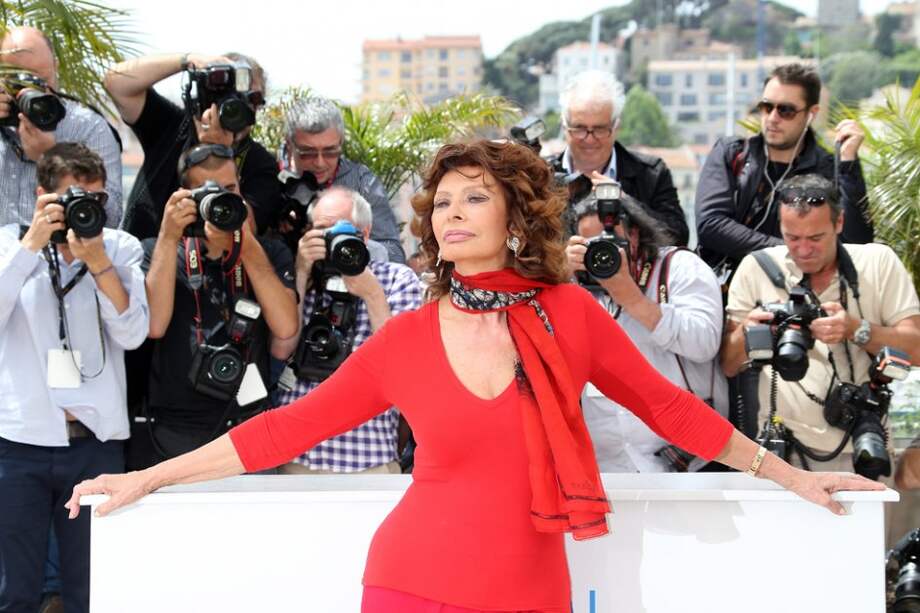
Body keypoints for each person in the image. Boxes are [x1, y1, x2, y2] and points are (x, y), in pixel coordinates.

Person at [68, 140, 884, 613]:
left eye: (474, 198)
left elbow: (672, 408)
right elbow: (284, 428)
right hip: (408, 582)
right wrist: (147, 480)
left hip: (530, 591)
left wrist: (787, 476)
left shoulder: (571, 313)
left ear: (514, 215)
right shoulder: (409, 337)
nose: (452, 212)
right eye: (443, 202)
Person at [0, 142, 148, 613]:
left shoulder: (118, 248)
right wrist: (32, 247)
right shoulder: (10, 244)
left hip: (95, 442)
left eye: (97, 200)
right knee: (15, 589)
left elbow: (133, 333)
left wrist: (99, 263)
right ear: (42, 196)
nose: (86, 210)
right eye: (72, 199)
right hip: (19, 441)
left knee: (93, 587)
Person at [721, 173, 920, 475]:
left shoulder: (878, 263)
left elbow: (916, 348)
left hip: (862, 450)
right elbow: (728, 365)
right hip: (780, 455)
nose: (803, 249)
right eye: (792, 237)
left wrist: (857, 330)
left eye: (815, 238)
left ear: (839, 224)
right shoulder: (757, 268)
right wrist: (749, 334)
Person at [129, 143, 298, 469]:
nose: (222, 199)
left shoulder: (269, 251)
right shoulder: (159, 250)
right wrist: (167, 236)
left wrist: (246, 247)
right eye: (209, 191)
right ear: (186, 196)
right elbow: (155, 325)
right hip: (176, 429)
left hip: (248, 425)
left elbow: (286, 326)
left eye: (230, 189)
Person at [565, 190, 728, 472]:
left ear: (636, 235)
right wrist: (557, 273)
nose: (601, 254)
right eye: (591, 245)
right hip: (609, 464)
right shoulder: (572, 284)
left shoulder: (679, 268)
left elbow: (704, 344)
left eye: (610, 242)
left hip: (684, 460)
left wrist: (632, 299)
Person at [272, 187, 421, 474]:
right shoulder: (304, 278)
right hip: (299, 456)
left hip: (369, 457)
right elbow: (282, 348)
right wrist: (301, 272)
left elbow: (402, 369)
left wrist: (372, 293)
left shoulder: (396, 279)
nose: (330, 242)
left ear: (364, 235)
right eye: (321, 231)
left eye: (338, 231)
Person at [696, 62, 874, 285]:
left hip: (801, 295)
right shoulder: (733, 154)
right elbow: (711, 225)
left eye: (786, 110)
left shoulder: (828, 170)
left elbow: (856, 243)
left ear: (811, 114)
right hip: (726, 290)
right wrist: (790, 249)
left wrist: (848, 163)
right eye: (767, 107)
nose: (772, 118)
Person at [104, 51, 282, 238]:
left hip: (208, 265)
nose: (238, 106)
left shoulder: (261, 163)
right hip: (144, 257)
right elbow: (115, 84)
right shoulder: (171, 126)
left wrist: (219, 152)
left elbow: (247, 231)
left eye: (251, 99)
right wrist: (184, 60)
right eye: (228, 95)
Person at [0, 26, 123, 229]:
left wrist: (50, 158)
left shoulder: (87, 126)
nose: (33, 91)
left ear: (55, 67)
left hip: (61, 258)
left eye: (42, 80)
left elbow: (111, 217)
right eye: (20, 82)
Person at [549, 70, 689, 246]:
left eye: (600, 129)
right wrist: (558, 261)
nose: (589, 139)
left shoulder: (650, 174)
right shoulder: (539, 175)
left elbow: (678, 237)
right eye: (579, 128)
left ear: (617, 127)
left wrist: (626, 203)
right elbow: (513, 244)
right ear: (564, 126)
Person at [278, 95, 405, 262]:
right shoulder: (273, 181)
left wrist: (346, 239)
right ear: (289, 146)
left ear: (341, 143)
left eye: (330, 151)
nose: (319, 162)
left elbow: (394, 254)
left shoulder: (363, 183)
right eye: (307, 153)